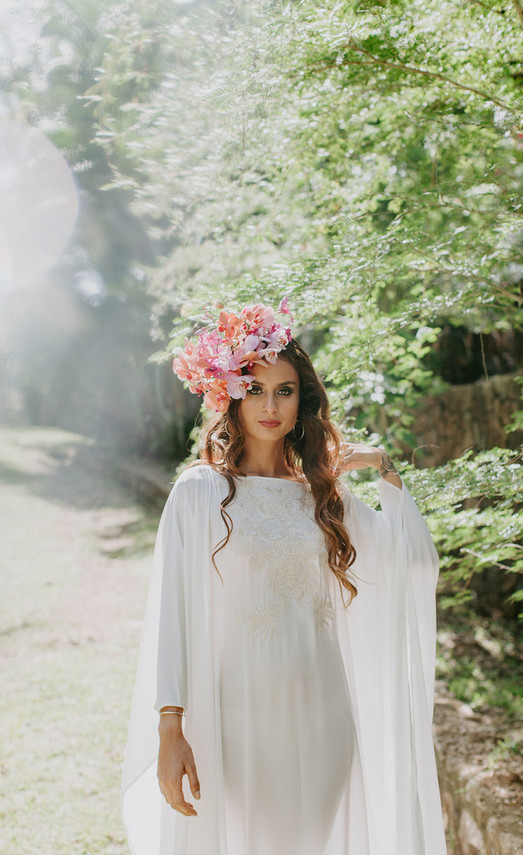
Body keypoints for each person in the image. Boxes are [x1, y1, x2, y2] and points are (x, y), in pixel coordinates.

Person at [122, 299, 448, 855]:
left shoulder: (323, 497)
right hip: (238, 718)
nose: (270, 406)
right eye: (255, 390)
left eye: (285, 391)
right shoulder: (198, 492)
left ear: (304, 400)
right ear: (231, 395)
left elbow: (413, 562)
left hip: (325, 718)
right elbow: (171, 614)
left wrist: (382, 468)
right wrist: (170, 727)